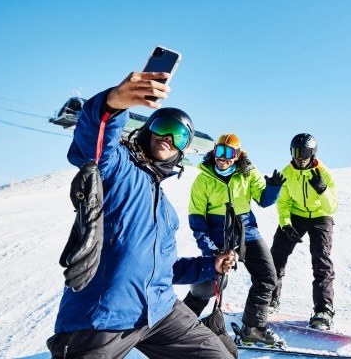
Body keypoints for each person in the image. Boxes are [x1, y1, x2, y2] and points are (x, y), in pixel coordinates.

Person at [47, 71, 236, 359]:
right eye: (164, 127)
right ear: (148, 129)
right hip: (102, 317)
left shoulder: (166, 211)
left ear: (183, 150)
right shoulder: (117, 169)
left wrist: (211, 265)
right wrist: (113, 104)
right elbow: (95, 144)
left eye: (181, 136)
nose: (169, 139)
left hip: (159, 311)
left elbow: (163, 268)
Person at [183, 133, 287, 346]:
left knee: (267, 277)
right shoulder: (204, 179)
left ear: (238, 156)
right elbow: (197, 218)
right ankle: (180, 325)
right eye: (219, 151)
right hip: (218, 236)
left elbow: (264, 201)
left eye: (229, 153)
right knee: (209, 284)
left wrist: (274, 187)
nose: (222, 158)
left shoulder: (248, 174)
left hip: (246, 233)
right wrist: (209, 247)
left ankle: (253, 328)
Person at [269, 133, 339, 330]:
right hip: (296, 215)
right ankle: (270, 302)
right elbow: (283, 203)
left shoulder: (324, 173)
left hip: (321, 216)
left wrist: (322, 190)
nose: (300, 157)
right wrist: (286, 224)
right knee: (276, 256)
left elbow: (332, 208)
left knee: (321, 259)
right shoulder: (287, 173)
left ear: (313, 153)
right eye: (296, 152)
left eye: (305, 152)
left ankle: (323, 310)